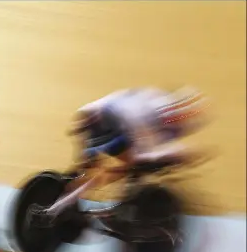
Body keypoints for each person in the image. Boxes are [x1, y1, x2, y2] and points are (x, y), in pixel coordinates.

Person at [42, 86, 211, 217]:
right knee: (129, 165)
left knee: (126, 168)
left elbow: (151, 148)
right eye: (183, 116)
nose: (182, 121)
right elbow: (146, 153)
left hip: (106, 119)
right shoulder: (155, 112)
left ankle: (77, 199)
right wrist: (181, 154)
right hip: (103, 120)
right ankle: (58, 208)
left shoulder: (163, 109)